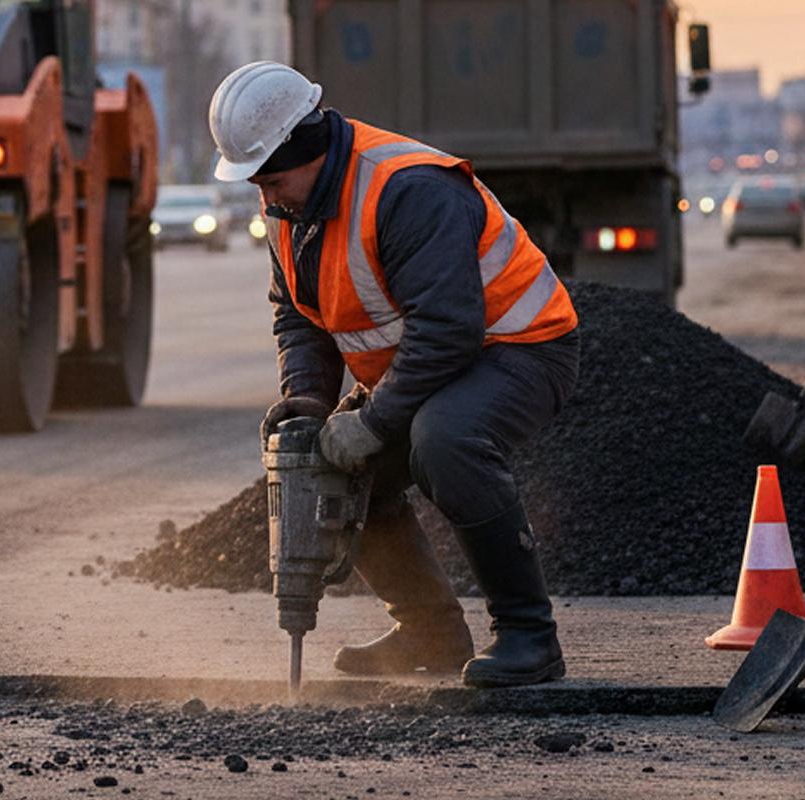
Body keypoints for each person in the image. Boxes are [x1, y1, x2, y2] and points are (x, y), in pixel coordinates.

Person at [209, 62, 579, 688]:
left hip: (521, 347)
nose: (265, 197)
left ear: (309, 147)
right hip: (430, 364)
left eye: (270, 179)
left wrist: (376, 420)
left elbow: (449, 330)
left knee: (445, 439)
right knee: (334, 464)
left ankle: (529, 638)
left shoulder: (407, 189)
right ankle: (429, 632)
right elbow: (299, 316)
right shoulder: (287, 207)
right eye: (256, 185)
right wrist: (307, 400)